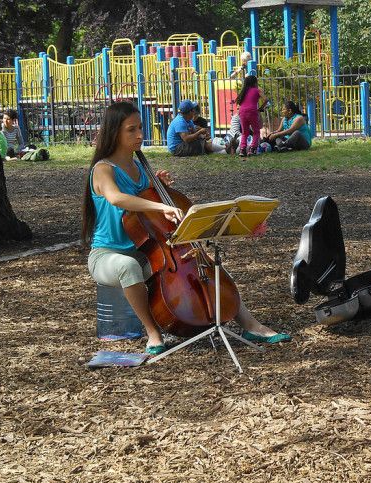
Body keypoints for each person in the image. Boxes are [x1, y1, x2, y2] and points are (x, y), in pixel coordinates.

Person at [82, 101, 290, 355]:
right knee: (127, 267)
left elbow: (153, 221)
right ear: (114, 132)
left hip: (147, 252)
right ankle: (153, 333)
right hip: (108, 255)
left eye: (140, 128)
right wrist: (161, 206)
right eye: (131, 130)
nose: (139, 135)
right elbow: (117, 198)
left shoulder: (139, 168)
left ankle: (250, 325)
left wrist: (160, 188)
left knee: (205, 262)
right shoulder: (103, 170)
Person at [236, 75, 267, 157]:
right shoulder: (257, 90)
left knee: (244, 132)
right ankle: (252, 149)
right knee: (256, 131)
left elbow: (240, 103)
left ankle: (242, 150)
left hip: (242, 112)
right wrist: (261, 108)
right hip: (252, 111)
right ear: (255, 82)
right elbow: (266, 100)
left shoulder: (244, 91)